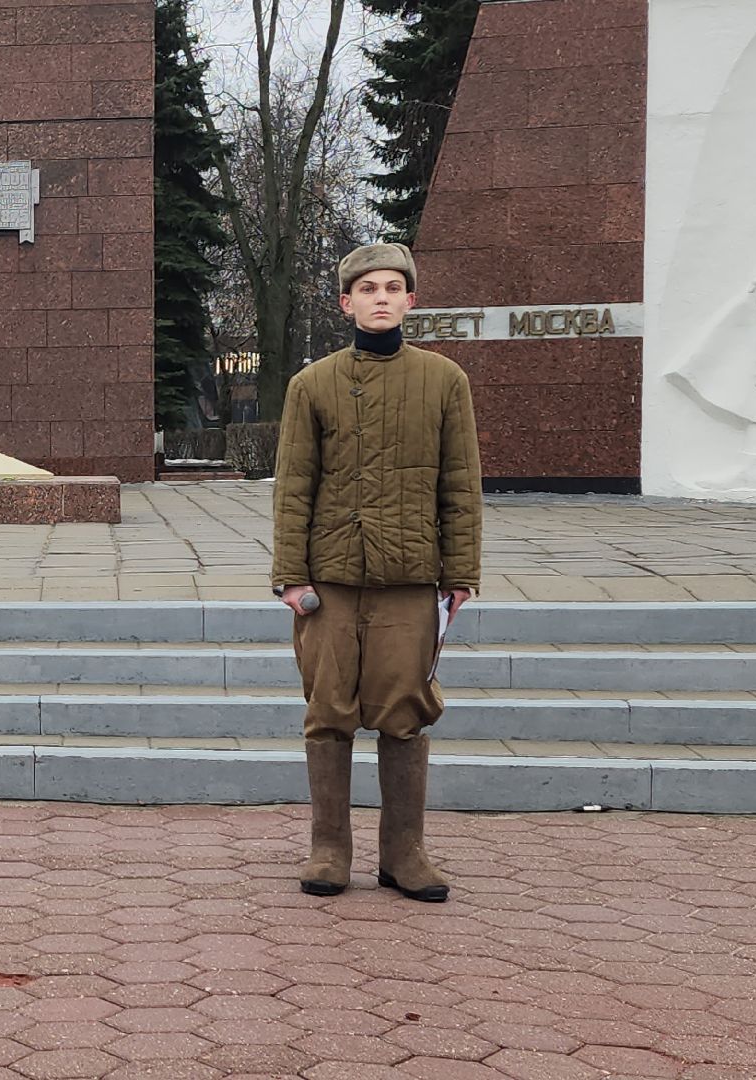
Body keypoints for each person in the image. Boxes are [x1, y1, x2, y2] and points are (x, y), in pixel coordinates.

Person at [271, 242, 483, 903]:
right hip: (331, 584)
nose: (382, 297)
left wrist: (460, 573)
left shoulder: (445, 381)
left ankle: (405, 853)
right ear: (347, 303)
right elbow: (294, 486)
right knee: (328, 713)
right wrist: (291, 575)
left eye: (394, 287)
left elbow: (460, 484)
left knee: (404, 715)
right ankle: (330, 850)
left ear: (412, 300)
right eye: (368, 289)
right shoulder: (313, 385)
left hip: (409, 584)